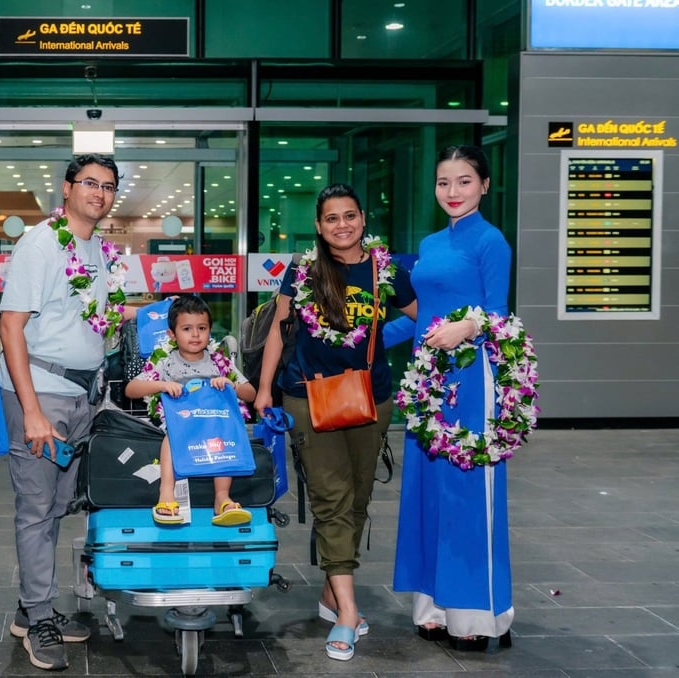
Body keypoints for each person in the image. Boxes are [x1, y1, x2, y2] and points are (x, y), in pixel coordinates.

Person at [254, 183, 416, 662]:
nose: (341, 225)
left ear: (363, 219)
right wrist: (264, 390)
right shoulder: (303, 272)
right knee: (331, 498)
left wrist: (384, 336)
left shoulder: (387, 270)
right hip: (308, 396)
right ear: (319, 226)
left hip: (372, 398)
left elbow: (422, 318)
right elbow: (279, 335)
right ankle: (347, 611)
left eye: (349, 216)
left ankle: (331, 593)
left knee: (358, 498)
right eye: (331, 218)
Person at [0, 154, 136, 671]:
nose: (99, 193)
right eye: (90, 184)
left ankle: (31, 606)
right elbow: (11, 327)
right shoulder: (41, 243)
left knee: (57, 507)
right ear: (67, 188)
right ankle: (39, 620)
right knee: (36, 509)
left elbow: (97, 319)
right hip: (42, 393)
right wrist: (32, 411)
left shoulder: (99, 250)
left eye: (108, 186)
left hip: (81, 397)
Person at [391, 145, 515, 651]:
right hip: (427, 382)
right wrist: (363, 334)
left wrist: (468, 325)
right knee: (426, 488)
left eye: (464, 181)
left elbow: (500, 316)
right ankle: (434, 609)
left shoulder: (492, 241)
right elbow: (421, 317)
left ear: (484, 185)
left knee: (467, 492)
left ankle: (478, 618)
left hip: (471, 379)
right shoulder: (429, 241)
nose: (453, 192)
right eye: (444, 182)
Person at [124, 294, 257, 526]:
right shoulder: (165, 362)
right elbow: (131, 389)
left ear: (210, 331)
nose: (195, 334)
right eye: (187, 328)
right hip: (181, 425)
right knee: (172, 437)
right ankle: (167, 494)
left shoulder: (219, 362)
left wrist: (231, 385)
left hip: (215, 424)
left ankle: (222, 498)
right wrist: (162, 384)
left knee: (224, 437)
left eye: (202, 328)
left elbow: (251, 394)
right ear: (172, 335)